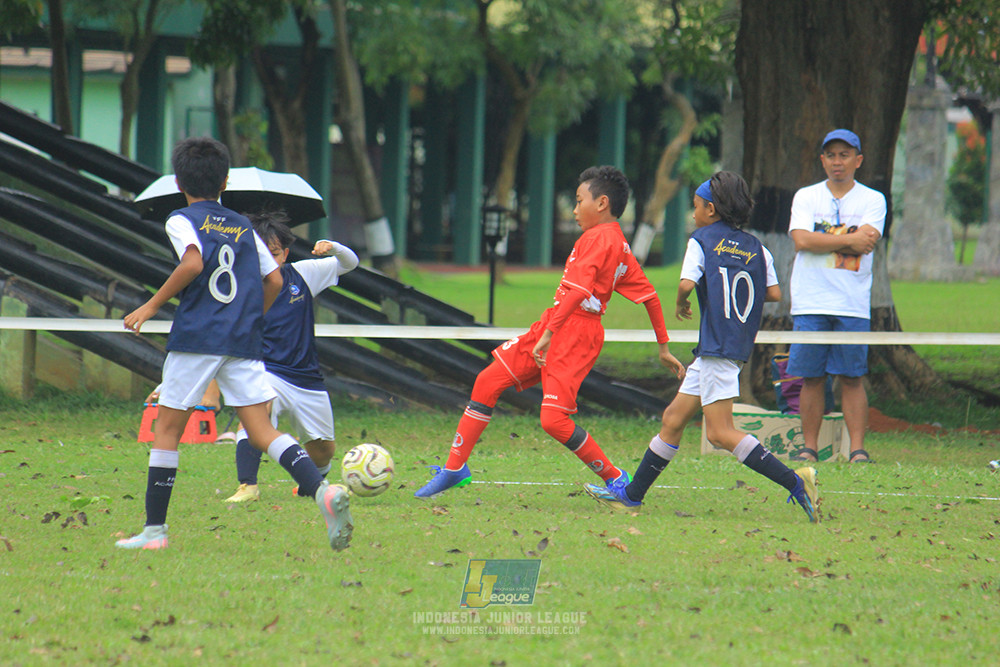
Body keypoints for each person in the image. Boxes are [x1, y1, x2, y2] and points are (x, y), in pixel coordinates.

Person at [116, 137, 352, 551]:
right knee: (262, 430)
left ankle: (154, 532)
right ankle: (322, 492)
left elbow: (192, 261)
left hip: (197, 336)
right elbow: (274, 280)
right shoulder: (243, 226)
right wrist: (249, 318)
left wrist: (151, 306)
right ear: (225, 180)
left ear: (177, 180)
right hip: (240, 340)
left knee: (168, 429)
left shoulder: (180, 218)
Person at [414, 165, 686, 498]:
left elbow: (578, 292)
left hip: (574, 334)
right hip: (557, 323)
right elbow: (650, 296)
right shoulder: (618, 242)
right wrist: (662, 347)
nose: (574, 210)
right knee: (488, 381)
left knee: (554, 421)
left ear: (601, 203)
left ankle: (616, 478)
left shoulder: (599, 239)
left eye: (578, 201)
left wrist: (548, 334)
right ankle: (455, 468)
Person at [584, 171, 820, 522]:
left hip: (716, 349)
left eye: (695, 207)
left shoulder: (702, 239)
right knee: (673, 419)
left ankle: (796, 481)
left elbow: (685, 283)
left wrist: (682, 301)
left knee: (721, 433)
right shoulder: (757, 247)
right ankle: (632, 496)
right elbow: (773, 294)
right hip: (731, 346)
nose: (693, 214)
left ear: (711, 209)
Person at [224, 210, 359, 503]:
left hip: (307, 377)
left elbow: (351, 263)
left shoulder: (303, 274)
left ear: (284, 254)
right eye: (261, 254)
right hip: (266, 370)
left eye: (273, 253)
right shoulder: (240, 287)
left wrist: (332, 247)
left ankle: (312, 485)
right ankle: (247, 485)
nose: (267, 261)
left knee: (323, 449)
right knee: (258, 411)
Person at [786, 129, 884, 464]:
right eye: (831, 155)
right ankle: (809, 448)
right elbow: (800, 241)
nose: (837, 161)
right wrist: (849, 239)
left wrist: (821, 238)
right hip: (810, 301)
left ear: (858, 160)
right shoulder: (806, 196)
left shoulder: (873, 199)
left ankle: (857, 449)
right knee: (811, 377)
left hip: (851, 303)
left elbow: (868, 240)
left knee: (852, 377)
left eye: (844, 155)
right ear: (822, 160)